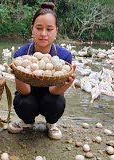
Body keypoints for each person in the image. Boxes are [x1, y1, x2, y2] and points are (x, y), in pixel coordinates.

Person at [8, 2, 76, 140]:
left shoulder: (64, 57)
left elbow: (53, 91)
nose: (43, 33)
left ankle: (51, 123)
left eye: (49, 29)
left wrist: (67, 84)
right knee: (23, 101)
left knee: (56, 101)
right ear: (32, 29)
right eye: (39, 28)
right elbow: (24, 91)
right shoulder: (21, 55)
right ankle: (27, 121)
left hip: (50, 96)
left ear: (56, 31)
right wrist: (18, 74)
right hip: (29, 95)